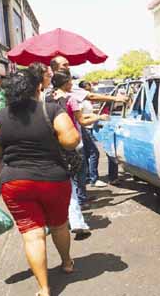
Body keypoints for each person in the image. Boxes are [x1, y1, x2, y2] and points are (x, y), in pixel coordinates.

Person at [0, 68, 81, 296]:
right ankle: (67, 262)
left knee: (32, 234)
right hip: (53, 180)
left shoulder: (0, 118)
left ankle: (44, 288)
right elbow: (71, 141)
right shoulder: (51, 110)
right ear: (38, 87)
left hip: (15, 183)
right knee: (59, 225)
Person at [50, 70, 110, 238]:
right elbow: (82, 121)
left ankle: (57, 220)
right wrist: (99, 118)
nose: (72, 84)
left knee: (60, 183)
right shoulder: (71, 99)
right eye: (70, 81)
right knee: (75, 181)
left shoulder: (48, 99)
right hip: (72, 144)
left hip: (53, 146)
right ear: (65, 83)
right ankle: (76, 221)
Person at [78, 80, 107, 187]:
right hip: (85, 127)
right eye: (88, 86)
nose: (90, 87)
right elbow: (80, 115)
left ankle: (87, 176)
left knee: (86, 154)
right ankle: (93, 178)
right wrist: (97, 117)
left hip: (88, 127)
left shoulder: (85, 101)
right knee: (94, 153)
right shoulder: (81, 101)